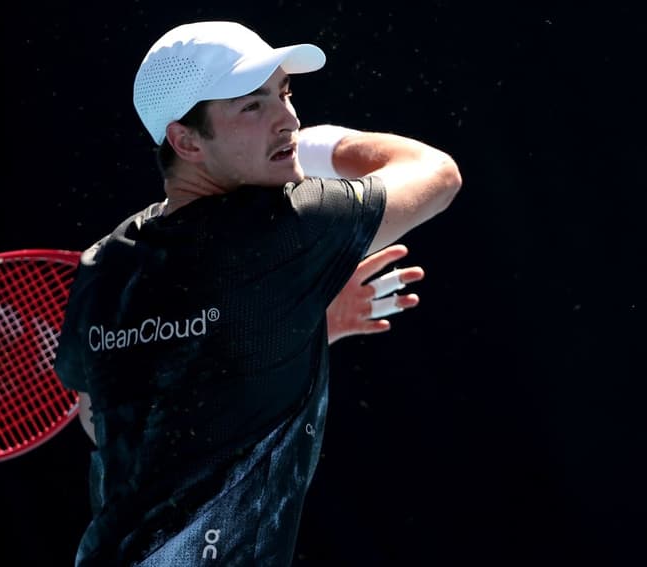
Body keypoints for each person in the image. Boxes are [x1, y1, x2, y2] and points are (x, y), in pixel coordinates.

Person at [54, 20, 462, 566]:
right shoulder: (282, 228)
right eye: (252, 106)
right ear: (186, 141)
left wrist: (288, 330)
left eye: (284, 93)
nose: (287, 119)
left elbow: (105, 418)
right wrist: (320, 147)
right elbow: (436, 173)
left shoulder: (103, 263)